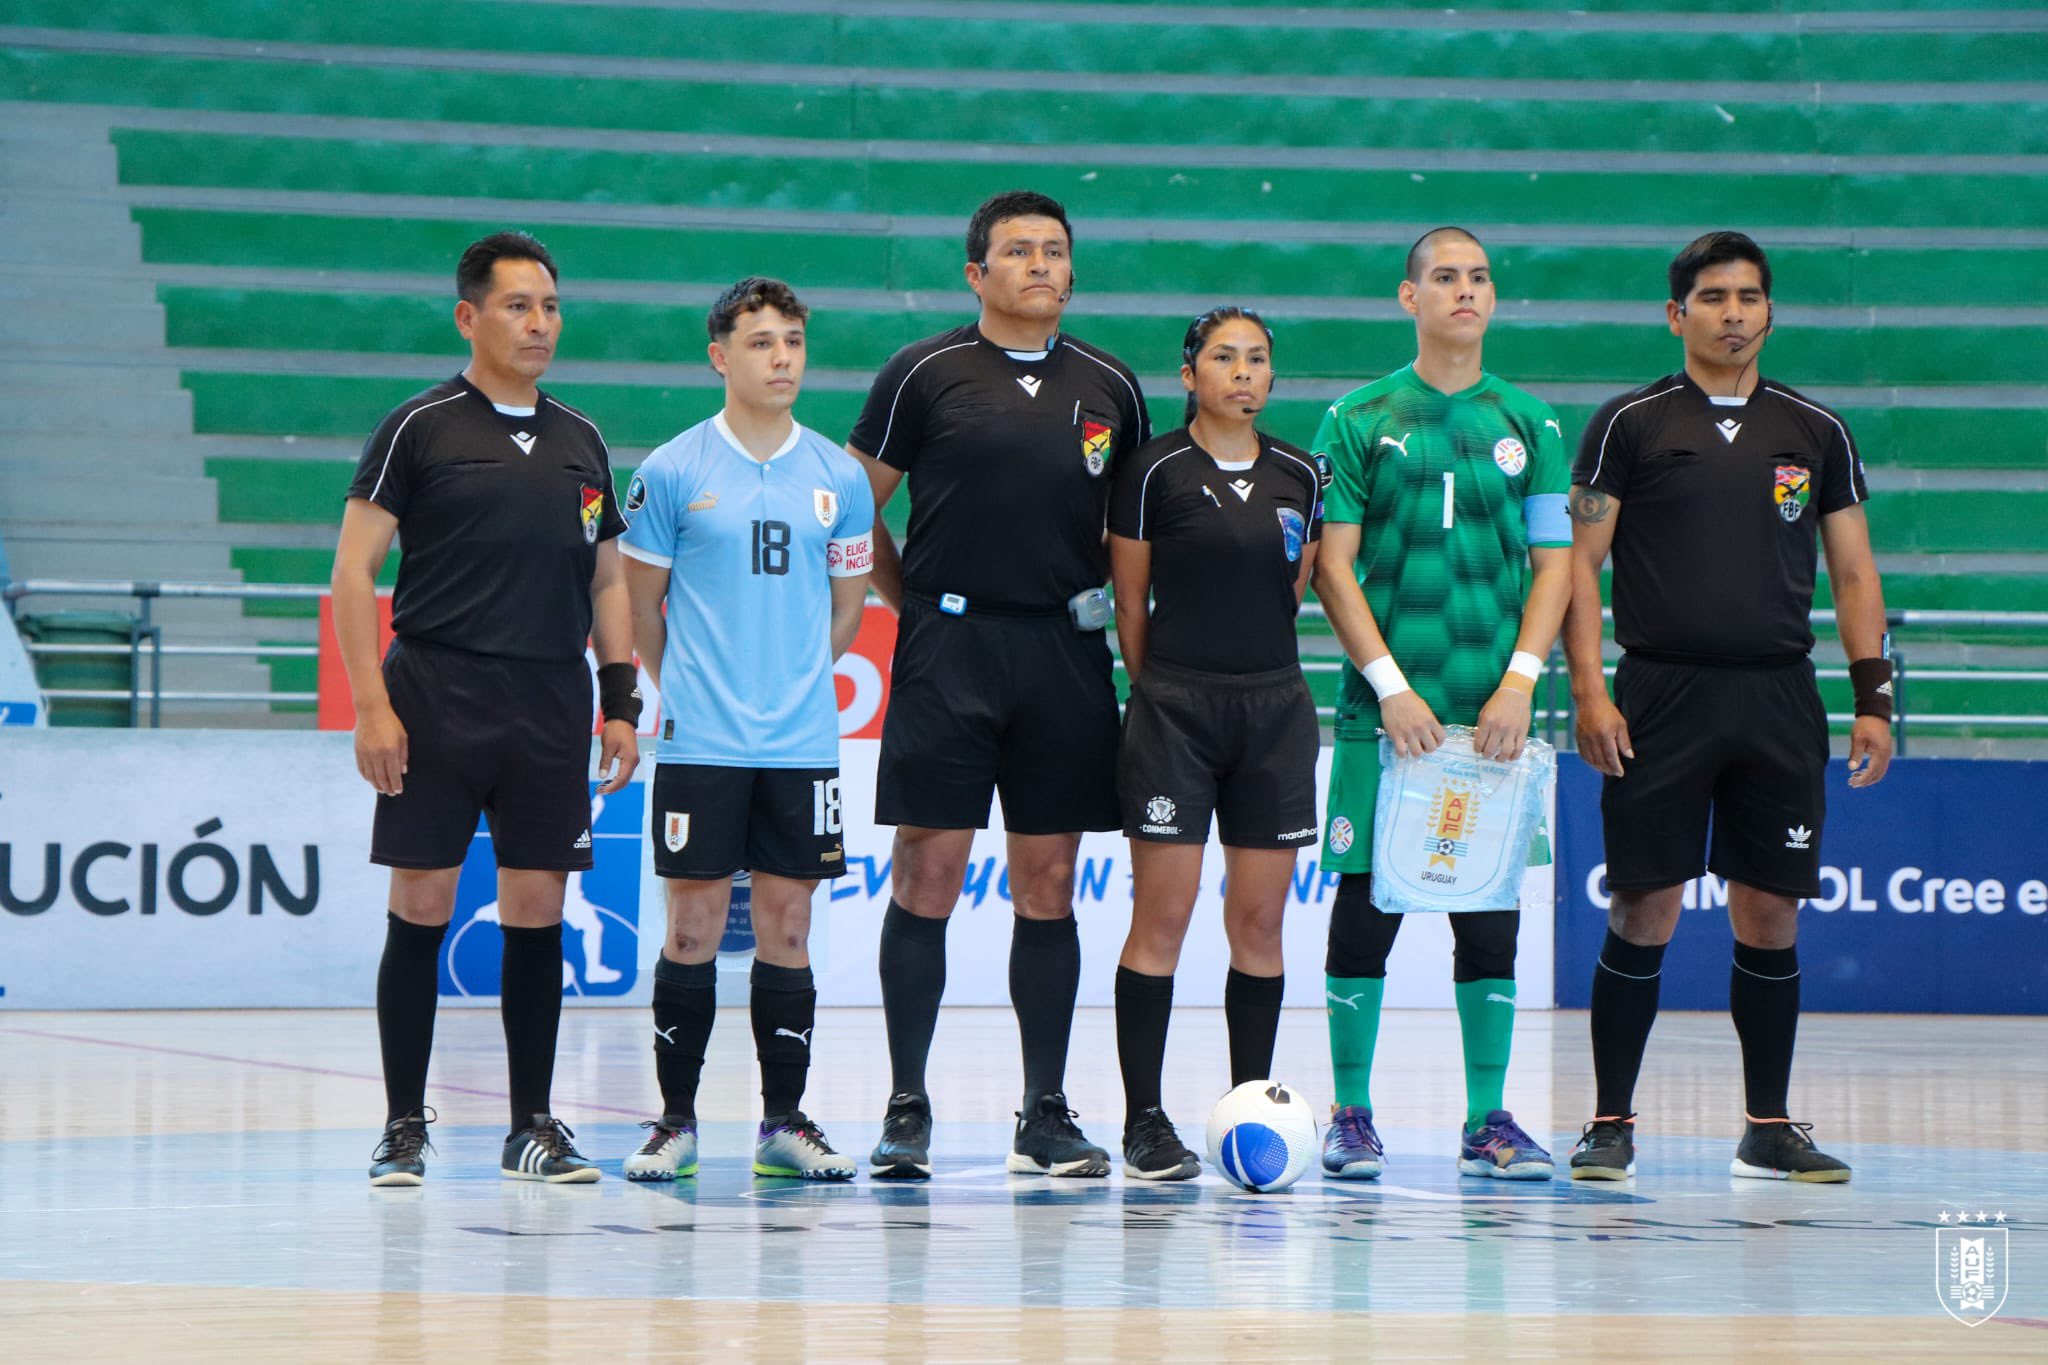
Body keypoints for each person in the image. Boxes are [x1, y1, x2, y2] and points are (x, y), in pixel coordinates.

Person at [1563, 231, 1892, 1183]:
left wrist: (1872, 695)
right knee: (1644, 909)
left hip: (1779, 695)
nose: (1734, 312)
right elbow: (1581, 566)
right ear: (1678, 315)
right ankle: (1610, 1121)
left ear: (1770, 311)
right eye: (1713, 297)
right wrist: (1589, 686)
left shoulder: (1816, 431)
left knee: (1773, 915)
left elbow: (1855, 567)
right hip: (1660, 692)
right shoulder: (1629, 423)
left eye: (1750, 296)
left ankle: (1768, 1124)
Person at [846, 190, 1151, 1179]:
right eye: (1017, 251)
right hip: (949, 651)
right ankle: (904, 1105)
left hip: (1063, 653)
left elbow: (1134, 535)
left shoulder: (1111, 384)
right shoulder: (921, 374)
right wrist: (918, 602)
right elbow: (854, 511)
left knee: (1048, 884)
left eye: (1054, 251)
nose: (1039, 266)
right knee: (925, 872)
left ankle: (1045, 1111)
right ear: (974, 272)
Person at [335, 232, 641, 1186]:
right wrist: (373, 707)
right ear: (469, 317)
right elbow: (353, 573)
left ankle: (533, 1125)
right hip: (436, 688)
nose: (539, 323)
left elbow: (606, 582)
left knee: (537, 906)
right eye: (518, 306)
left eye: (549, 307)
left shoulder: (581, 438)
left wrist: (620, 700)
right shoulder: (417, 427)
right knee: (421, 902)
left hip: (551, 696)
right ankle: (400, 1124)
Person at [1310, 227, 1573, 1183]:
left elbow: (1558, 566)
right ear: (1407, 297)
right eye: (1445, 277)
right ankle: (1350, 1112)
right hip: (1381, 719)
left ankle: (1488, 1118)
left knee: (1490, 916)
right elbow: (1331, 569)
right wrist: (1388, 687)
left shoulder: (1534, 423)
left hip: (1493, 719)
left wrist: (1520, 681)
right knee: (1362, 909)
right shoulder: (1357, 417)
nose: (1466, 291)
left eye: (1479, 277)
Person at [614, 277, 874, 1182]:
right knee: (689, 926)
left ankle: (783, 1124)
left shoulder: (839, 479)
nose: (783, 358)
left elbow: (846, 612)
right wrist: (688, 685)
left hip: (801, 741)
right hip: (700, 739)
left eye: (794, 341)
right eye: (762, 342)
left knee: (788, 927)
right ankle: (675, 1122)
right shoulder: (673, 469)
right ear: (720, 356)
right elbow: (640, 608)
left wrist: (792, 677)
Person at [1107, 307, 1323, 1181]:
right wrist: (1166, 691)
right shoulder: (1150, 469)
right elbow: (1131, 606)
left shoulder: (1303, 473)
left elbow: (1295, 588)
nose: (1243, 372)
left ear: (1272, 378)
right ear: (1189, 373)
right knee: (1161, 918)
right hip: (1174, 710)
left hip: (1274, 711)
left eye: (1258, 359)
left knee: (1260, 923)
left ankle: (1250, 1108)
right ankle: (1144, 1119)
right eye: (1223, 357)